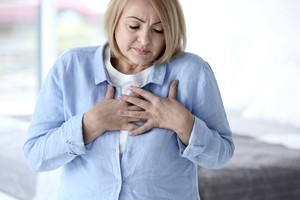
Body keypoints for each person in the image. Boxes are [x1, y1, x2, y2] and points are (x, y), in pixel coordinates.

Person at [23, 0, 235, 199]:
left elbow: (221, 155)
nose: (144, 40)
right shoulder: (71, 67)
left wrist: (185, 125)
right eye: (134, 26)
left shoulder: (193, 72)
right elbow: (36, 156)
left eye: (158, 30)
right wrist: (89, 125)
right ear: (115, 20)